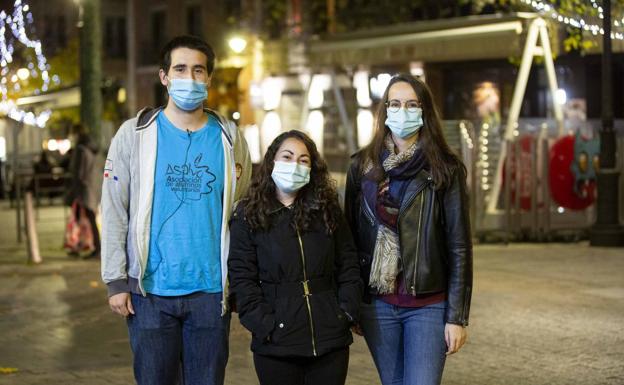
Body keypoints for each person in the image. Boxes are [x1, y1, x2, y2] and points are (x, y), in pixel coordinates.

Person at [101, 35, 251, 385]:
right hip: (149, 293)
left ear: (209, 78)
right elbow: (113, 208)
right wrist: (115, 280)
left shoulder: (229, 137)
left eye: (199, 70)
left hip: (211, 292)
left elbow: (241, 207)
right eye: (180, 69)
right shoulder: (134, 134)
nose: (190, 78)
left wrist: (240, 281)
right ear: (164, 77)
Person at [344, 74, 473, 385]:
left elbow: (459, 246)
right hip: (378, 305)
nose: (403, 111)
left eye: (412, 104)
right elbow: (348, 241)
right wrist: (353, 302)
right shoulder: (362, 167)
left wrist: (456, 317)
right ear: (385, 110)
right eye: (396, 104)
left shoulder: (446, 169)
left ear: (424, 111)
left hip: (428, 305)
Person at [228, 130, 362, 385]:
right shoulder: (248, 215)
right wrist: (265, 325)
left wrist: (345, 312)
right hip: (276, 344)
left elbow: (348, 263)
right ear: (272, 162)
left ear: (312, 168)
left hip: (329, 339)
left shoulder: (326, 209)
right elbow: (242, 278)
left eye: (303, 160)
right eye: (287, 157)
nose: (295, 165)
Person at [66, 126, 103, 258]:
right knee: (84, 219)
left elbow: (79, 173)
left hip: (83, 191)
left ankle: (94, 248)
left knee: (84, 219)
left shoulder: (81, 151)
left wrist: (74, 191)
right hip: (92, 189)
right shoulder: (91, 151)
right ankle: (80, 246)